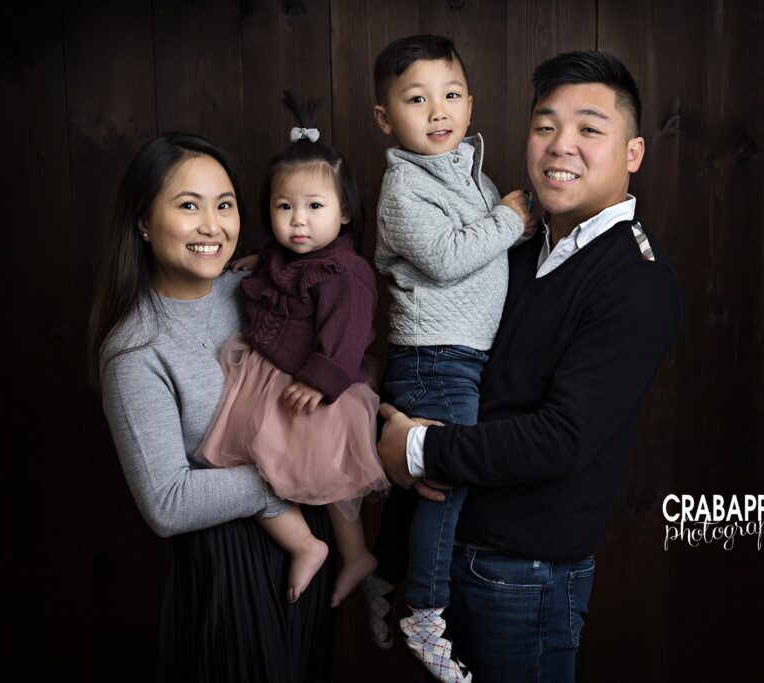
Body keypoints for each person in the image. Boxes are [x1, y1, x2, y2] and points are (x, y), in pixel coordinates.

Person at [376, 51, 682, 682]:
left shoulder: (636, 282)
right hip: (445, 556)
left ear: (634, 153)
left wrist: (416, 451)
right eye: (545, 126)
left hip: (524, 579)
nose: (560, 146)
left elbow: (562, 437)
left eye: (590, 130)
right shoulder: (512, 249)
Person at [91, 133, 335, 682]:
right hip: (228, 572)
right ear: (144, 222)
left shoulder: (257, 291)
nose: (212, 226)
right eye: (187, 206)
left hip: (308, 549)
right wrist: (289, 473)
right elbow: (168, 502)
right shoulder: (136, 351)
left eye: (224, 205)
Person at [364, 34, 534, 683]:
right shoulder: (403, 185)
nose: (439, 110)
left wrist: (517, 223)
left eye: (452, 94)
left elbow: (488, 244)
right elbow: (445, 255)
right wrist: (512, 221)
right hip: (436, 358)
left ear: (470, 102)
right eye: (417, 99)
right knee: (447, 480)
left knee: (416, 485)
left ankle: (384, 574)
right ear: (385, 117)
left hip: (455, 357)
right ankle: (425, 610)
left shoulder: (469, 171)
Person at [199, 93, 388, 609]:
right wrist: (259, 259)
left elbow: (348, 336)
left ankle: (351, 554)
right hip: (269, 374)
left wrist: (322, 380)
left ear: (345, 212)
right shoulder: (284, 254)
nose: (298, 221)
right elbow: (283, 265)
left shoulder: (345, 272)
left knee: (329, 476)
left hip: (314, 386)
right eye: (285, 207)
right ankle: (310, 544)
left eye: (314, 207)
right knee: (258, 468)